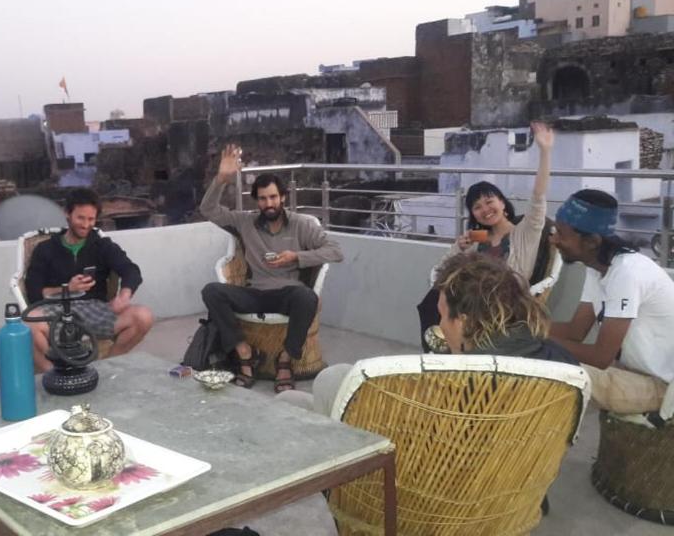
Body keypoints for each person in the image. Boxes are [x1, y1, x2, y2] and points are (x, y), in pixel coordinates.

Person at [281, 252, 576, 417]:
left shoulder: (455, 385)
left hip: (427, 478)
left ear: (462, 321)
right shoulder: (564, 368)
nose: (439, 324)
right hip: (507, 477)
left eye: (441, 314)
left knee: (307, 395)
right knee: (318, 391)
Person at [200, 144, 344, 393]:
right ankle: (245, 352)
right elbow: (208, 210)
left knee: (307, 297)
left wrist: (296, 257)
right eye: (264, 198)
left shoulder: (301, 225)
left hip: (287, 293)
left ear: (283, 197)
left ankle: (285, 359)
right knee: (212, 291)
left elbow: (335, 251)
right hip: (255, 293)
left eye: (274, 197)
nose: (269, 203)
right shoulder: (244, 223)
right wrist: (222, 179)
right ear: (256, 200)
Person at [418, 121, 556, 350]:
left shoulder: (525, 232)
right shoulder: (478, 237)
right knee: (431, 301)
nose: (485, 209)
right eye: (477, 207)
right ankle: (441, 351)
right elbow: (442, 271)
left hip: (502, 302)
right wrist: (459, 249)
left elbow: (539, 195)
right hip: (471, 299)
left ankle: (446, 351)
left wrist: (545, 151)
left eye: (489, 202)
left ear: (502, 203)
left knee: (441, 306)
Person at [549, 189, 674, 416]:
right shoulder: (597, 269)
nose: (554, 239)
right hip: (633, 372)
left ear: (591, 242)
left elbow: (600, 357)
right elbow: (574, 331)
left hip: (663, 386)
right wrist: (523, 328)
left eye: (561, 234)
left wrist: (536, 341)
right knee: (539, 358)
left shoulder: (627, 273)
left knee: (551, 370)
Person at [23, 188, 154, 373]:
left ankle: (106, 368)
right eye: (80, 218)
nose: (86, 225)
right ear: (67, 214)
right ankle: (57, 372)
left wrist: (123, 296)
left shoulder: (102, 245)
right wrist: (66, 289)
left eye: (91, 219)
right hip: (57, 309)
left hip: (95, 309)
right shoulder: (45, 249)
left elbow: (131, 271)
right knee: (27, 327)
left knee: (143, 316)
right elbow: (33, 292)